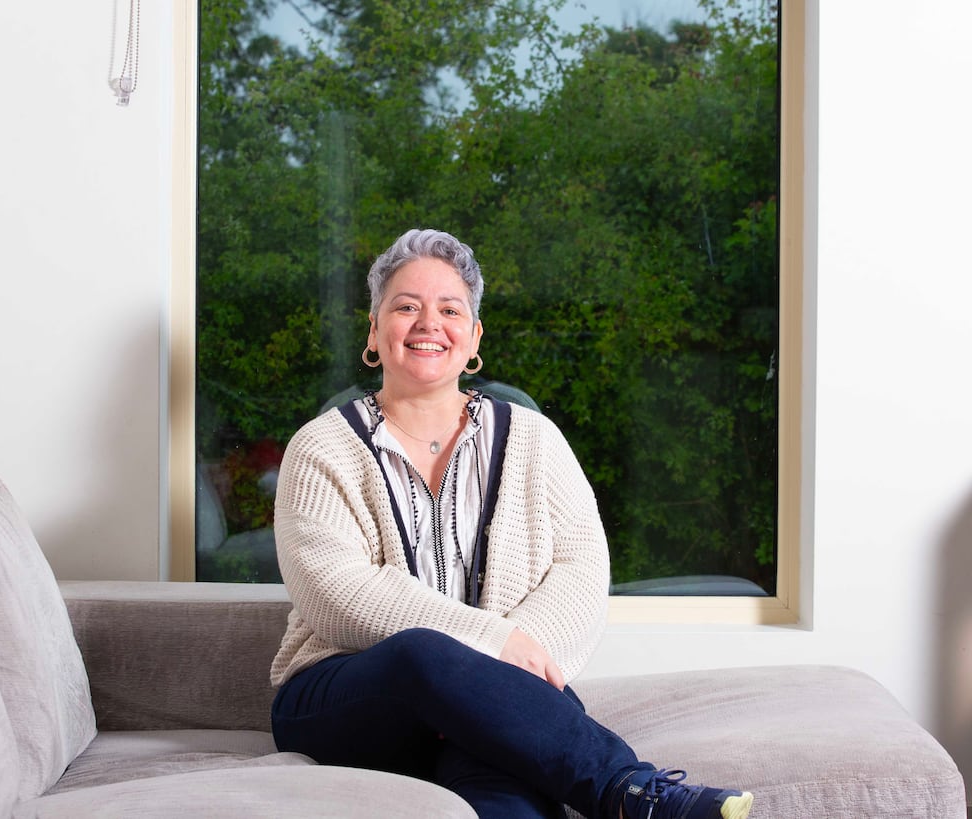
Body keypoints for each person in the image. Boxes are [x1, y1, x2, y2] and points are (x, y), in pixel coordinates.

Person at [269, 228, 754, 819]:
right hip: (348, 700)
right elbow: (335, 593)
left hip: (493, 708)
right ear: (374, 332)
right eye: (406, 307)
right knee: (422, 655)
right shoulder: (321, 447)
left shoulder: (534, 438)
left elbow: (581, 568)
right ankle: (630, 789)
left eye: (450, 310)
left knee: (505, 778)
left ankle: (625, 797)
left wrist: (489, 685)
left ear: (474, 337)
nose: (429, 323)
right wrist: (495, 645)